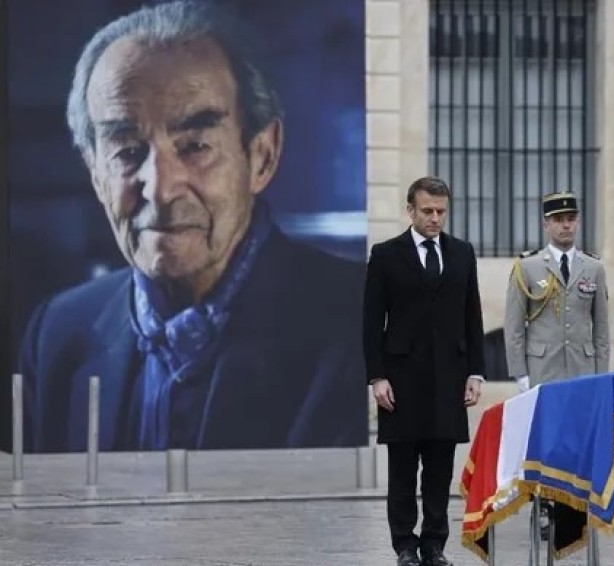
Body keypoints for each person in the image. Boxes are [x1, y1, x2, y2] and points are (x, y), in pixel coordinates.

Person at [19, 0, 366, 452]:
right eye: (127, 152)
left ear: (262, 156)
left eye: (196, 146)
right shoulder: (58, 334)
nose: (161, 189)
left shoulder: (365, 324)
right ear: (95, 173)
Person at [362, 176, 486, 566]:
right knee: (402, 469)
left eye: (441, 212)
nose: (435, 218)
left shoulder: (462, 253)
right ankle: (404, 545)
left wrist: (476, 372)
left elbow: (472, 316)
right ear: (410, 210)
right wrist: (376, 376)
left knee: (439, 469)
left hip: (449, 378)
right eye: (428, 211)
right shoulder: (385, 255)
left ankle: (434, 544)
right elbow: (371, 322)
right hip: (400, 380)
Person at [502, 191, 610, 543]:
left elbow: (602, 329)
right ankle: (544, 504)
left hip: (581, 369)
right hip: (543, 369)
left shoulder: (593, 267)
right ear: (545, 224)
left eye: (571, 219)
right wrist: (520, 373)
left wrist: (601, 374)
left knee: (577, 440)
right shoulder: (528, 267)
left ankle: (574, 506)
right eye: (559, 220)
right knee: (546, 443)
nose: (566, 225)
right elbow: (514, 326)